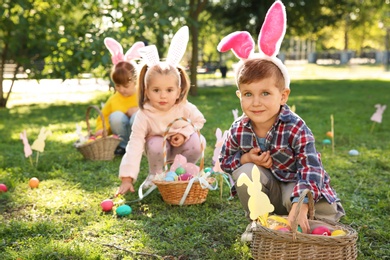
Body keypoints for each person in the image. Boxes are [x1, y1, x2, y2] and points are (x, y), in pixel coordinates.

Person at [217, 1, 345, 240]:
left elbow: (311, 168)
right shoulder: (238, 129)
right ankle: (262, 223)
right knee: (245, 172)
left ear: (283, 95)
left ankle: (300, 218)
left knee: (311, 210)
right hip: (268, 191)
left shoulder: (296, 127)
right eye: (248, 94)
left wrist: (301, 202)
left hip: (295, 188)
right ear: (239, 95)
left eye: (265, 93)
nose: (256, 102)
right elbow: (225, 161)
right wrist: (245, 158)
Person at [116, 26, 206, 196]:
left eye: (169, 90)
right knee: (155, 142)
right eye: (156, 90)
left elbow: (199, 121)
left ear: (178, 90)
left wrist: (184, 132)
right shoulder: (144, 115)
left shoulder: (184, 107)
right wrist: (127, 178)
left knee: (197, 141)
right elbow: (134, 144)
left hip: (182, 148)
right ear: (146, 90)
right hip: (157, 152)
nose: (163, 96)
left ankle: (184, 172)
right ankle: (155, 175)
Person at [95, 38, 144, 155]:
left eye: (126, 86)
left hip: (140, 135)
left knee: (137, 116)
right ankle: (123, 146)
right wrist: (102, 129)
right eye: (118, 85)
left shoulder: (142, 94)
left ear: (135, 81)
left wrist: (140, 109)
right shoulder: (114, 98)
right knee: (115, 116)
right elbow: (104, 115)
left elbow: (155, 109)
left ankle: (139, 146)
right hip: (122, 134)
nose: (121, 89)